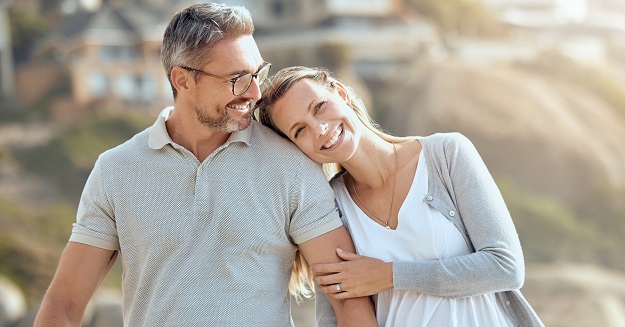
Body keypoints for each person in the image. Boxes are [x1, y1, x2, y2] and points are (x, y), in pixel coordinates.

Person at [33, 5, 377, 327]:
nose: (255, 92)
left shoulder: (292, 165)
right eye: (237, 79)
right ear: (183, 80)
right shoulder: (115, 171)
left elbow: (346, 295)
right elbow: (64, 302)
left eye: (258, 73)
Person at [255, 66, 544, 327]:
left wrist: (389, 275)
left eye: (319, 106)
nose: (320, 129)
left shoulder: (446, 155)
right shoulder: (326, 205)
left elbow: (505, 267)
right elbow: (334, 315)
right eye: (299, 130)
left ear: (340, 93)